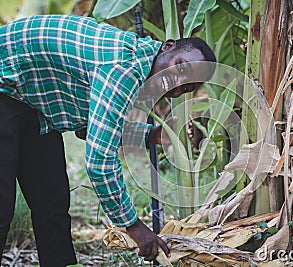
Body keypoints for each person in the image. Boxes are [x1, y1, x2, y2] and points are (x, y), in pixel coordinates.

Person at [0, 14, 216, 266]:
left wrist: (149, 135)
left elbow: (96, 123)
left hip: (33, 103)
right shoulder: (124, 68)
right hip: (4, 86)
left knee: (52, 204)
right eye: (181, 67)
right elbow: (99, 162)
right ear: (167, 46)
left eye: (186, 87)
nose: (177, 84)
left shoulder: (139, 61)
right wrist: (134, 227)